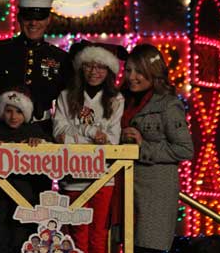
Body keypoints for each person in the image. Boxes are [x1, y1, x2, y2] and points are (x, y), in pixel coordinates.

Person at [119, 44, 194, 253]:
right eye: (129, 70)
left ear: (154, 73)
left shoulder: (168, 105)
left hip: (154, 196)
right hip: (125, 189)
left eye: (140, 71)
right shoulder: (120, 100)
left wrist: (143, 146)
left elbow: (185, 149)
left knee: (146, 248)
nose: (132, 77)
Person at [0, 0, 71, 135]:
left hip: (41, 134)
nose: (33, 23)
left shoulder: (60, 58)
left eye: (39, 17)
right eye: (28, 17)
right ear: (19, 18)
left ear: (48, 20)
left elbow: (70, 102)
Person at [53, 44, 124, 253]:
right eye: (89, 66)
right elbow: (60, 134)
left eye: (101, 67)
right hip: (73, 175)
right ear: (81, 68)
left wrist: (76, 135)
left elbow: (112, 139)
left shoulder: (116, 99)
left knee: (99, 235)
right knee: (77, 235)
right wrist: (92, 133)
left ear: (109, 70)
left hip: (103, 175)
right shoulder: (66, 96)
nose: (94, 72)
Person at [0, 89, 51, 253]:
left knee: (22, 235)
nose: (13, 116)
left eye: (19, 112)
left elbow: (51, 147)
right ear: (2, 111)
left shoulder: (33, 131)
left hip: (26, 194)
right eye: (9, 111)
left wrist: (40, 143)